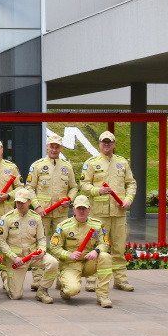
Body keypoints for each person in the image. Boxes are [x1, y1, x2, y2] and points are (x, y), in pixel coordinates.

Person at [79, 130, 137, 293]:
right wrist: (97, 191)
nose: (106, 144)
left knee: (119, 248)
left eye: (109, 142)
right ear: (99, 144)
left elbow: (131, 183)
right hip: (98, 214)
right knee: (95, 246)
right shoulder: (91, 162)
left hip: (118, 213)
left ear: (114, 144)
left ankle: (120, 280)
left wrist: (128, 200)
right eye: (104, 142)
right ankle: (91, 279)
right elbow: (83, 184)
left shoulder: (122, 163)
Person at [25, 134, 78, 291]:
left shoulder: (66, 167)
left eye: (57, 147)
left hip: (61, 213)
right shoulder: (37, 165)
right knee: (40, 244)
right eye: (52, 146)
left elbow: (74, 186)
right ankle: (37, 278)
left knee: (62, 244)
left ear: (61, 148)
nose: (54, 149)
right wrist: (37, 206)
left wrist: (70, 198)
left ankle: (61, 278)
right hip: (43, 213)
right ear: (47, 147)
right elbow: (29, 187)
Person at [49, 195, 113, 308]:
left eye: (84, 208)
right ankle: (65, 286)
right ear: (74, 209)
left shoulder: (97, 225)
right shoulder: (64, 226)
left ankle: (103, 296)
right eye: (79, 208)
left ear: (89, 209)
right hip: (71, 264)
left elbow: (105, 243)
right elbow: (54, 247)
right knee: (72, 291)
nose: (82, 211)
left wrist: (97, 251)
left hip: (89, 262)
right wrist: (69, 255)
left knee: (105, 256)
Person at [0, 189, 58, 303]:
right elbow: (1, 241)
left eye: (22, 202)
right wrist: (14, 257)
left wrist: (42, 251)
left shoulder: (36, 217)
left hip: (32, 256)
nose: (19, 205)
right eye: (18, 202)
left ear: (29, 202)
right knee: (16, 295)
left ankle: (42, 291)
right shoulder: (7, 218)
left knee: (53, 262)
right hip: (16, 259)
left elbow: (41, 239)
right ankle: (6, 278)